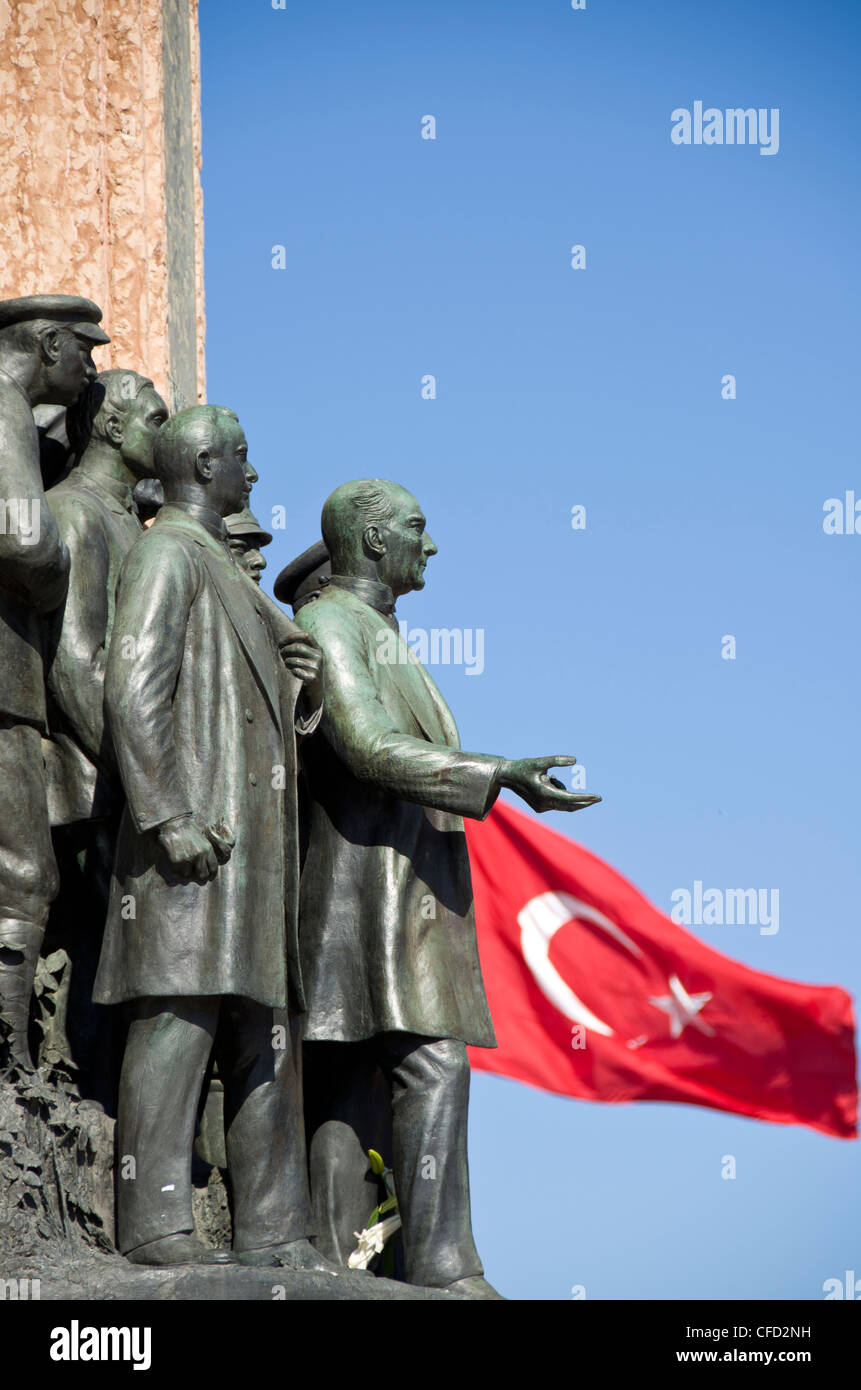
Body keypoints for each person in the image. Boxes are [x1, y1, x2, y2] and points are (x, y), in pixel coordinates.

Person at [295, 477, 600, 1296]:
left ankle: (343, 1259)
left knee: (356, 1076)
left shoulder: (381, 632)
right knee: (433, 1065)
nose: (430, 546)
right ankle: (440, 1267)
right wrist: (494, 772)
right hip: (363, 888)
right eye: (416, 529)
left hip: (403, 886)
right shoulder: (329, 623)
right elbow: (364, 746)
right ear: (369, 540)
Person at [94, 405, 335, 1270]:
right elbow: (132, 685)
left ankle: (276, 1232)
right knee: (177, 1021)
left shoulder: (221, 564)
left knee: (264, 1033)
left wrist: (296, 676)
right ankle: (156, 1223)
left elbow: (261, 708)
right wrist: (166, 815)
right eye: (241, 458)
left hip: (251, 851)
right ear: (203, 462)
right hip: (192, 841)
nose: (253, 474)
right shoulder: (167, 551)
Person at [42, 370, 169, 1098]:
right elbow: (74, 661)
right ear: (113, 428)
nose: (169, 434)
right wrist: (140, 771)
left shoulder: (130, 526)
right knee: (97, 955)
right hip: (95, 784)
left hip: (127, 786)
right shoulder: (75, 514)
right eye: (156, 418)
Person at [0, 293, 109, 1069]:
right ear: (46, 343)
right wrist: (62, 574)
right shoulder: (3, 408)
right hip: (7, 679)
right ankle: (9, 1071)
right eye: (83, 350)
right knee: (22, 873)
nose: (91, 367)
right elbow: (27, 543)